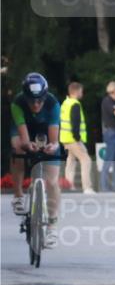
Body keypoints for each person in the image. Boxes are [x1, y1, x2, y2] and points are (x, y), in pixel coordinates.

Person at [9, 73, 62, 247]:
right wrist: (27, 145)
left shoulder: (53, 104)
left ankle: (52, 227)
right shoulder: (18, 103)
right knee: (17, 148)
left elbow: (54, 140)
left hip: (46, 131)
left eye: (40, 100)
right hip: (25, 130)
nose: (36, 104)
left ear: (45, 97)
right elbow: (23, 137)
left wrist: (52, 147)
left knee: (53, 182)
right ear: (25, 97)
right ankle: (18, 195)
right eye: (32, 100)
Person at [61, 82, 95, 194]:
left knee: (71, 161)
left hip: (65, 138)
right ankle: (87, 187)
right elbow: (75, 122)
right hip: (73, 138)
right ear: (76, 92)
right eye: (81, 91)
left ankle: (68, 186)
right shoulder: (75, 104)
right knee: (86, 160)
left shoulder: (65, 103)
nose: (82, 93)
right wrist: (77, 137)